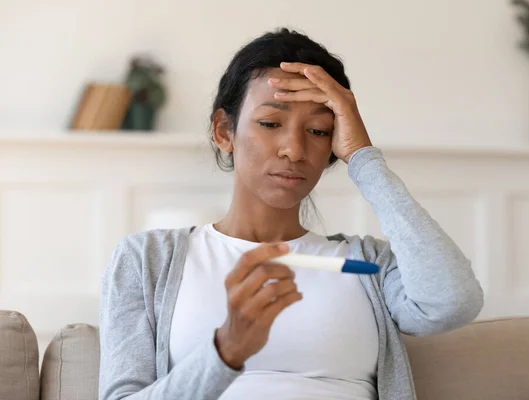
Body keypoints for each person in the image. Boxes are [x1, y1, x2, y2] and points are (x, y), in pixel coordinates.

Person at [98, 28, 484, 400]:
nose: (295, 150)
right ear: (223, 131)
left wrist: (363, 157)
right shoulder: (146, 260)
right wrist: (226, 351)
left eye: (318, 131)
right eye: (270, 123)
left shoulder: (366, 266)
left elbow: (451, 302)